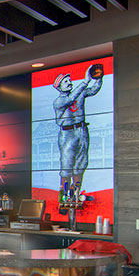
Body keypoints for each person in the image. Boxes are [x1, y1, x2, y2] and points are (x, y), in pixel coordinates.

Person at [52, 63, 103, 199]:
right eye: (65, 82)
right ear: (59, 87)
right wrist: (86, 81)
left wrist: (98, 78)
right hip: (67, 134)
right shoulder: (58, 101)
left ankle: (75, 195)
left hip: (81, 130)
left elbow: (93, 90)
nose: (69, 83)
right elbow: (71, 99)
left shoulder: (79, 94)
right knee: (67, 166)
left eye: (69, 80)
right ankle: (64, 197)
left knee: (81, 164)